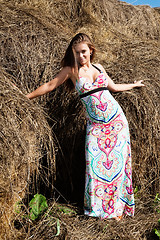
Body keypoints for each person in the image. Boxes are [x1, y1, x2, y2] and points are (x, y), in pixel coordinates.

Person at [26, 33, 144, 220]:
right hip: (96, 126)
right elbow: (50, 85)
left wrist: (133, 85)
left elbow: (113, 87)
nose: (81, 57)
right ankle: (99, 210)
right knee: (95, 168)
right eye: (77, 53)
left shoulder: (99, 67)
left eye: (83, 52)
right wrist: (25, 98)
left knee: (119, 165)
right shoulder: (71, 71)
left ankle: (116, 209)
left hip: (117, 121)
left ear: (91, 51)